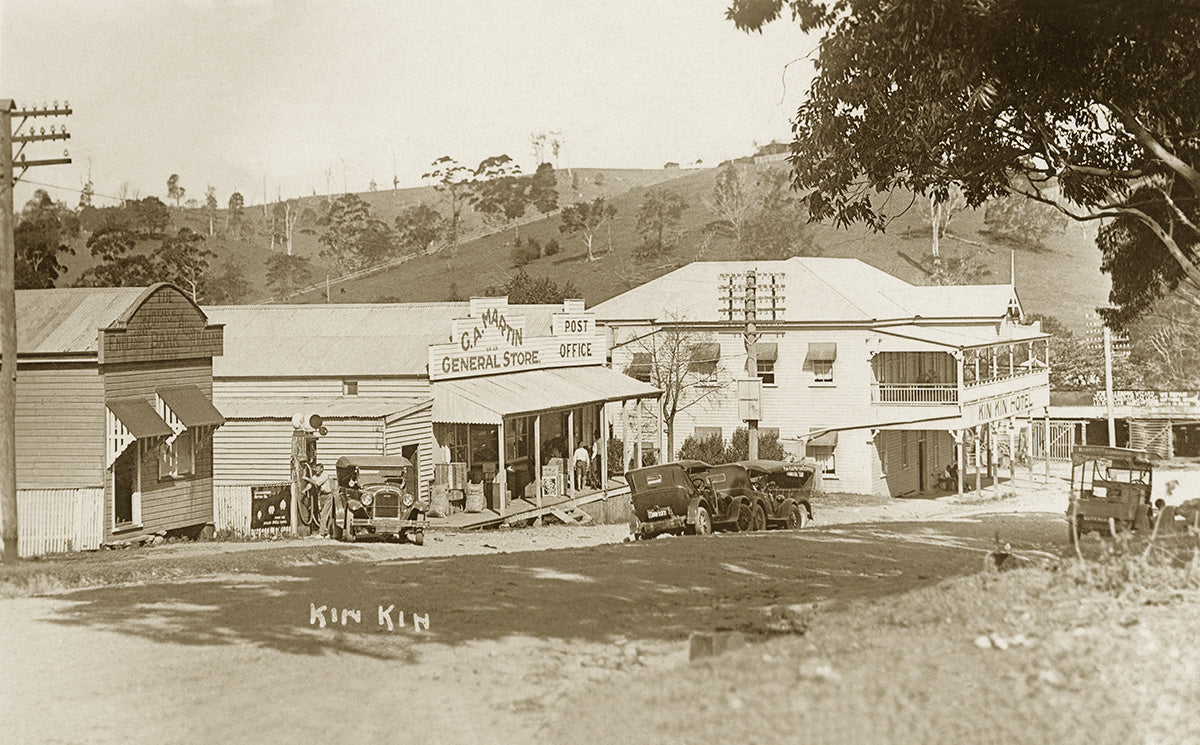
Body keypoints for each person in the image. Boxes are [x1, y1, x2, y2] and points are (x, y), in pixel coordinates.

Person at [303, 462, 335, 537]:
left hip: (328, 496)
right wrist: (304, 490)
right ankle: (327, 532)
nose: (316, 470)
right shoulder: (315, 476)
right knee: (322, 515)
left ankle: (321, 533)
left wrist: (306, 478)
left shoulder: (325, 475)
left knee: (324, 514)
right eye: (315, 469)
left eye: (317, 469)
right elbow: (311, 484)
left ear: (322, 469)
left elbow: (317, 483)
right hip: (321, 496)